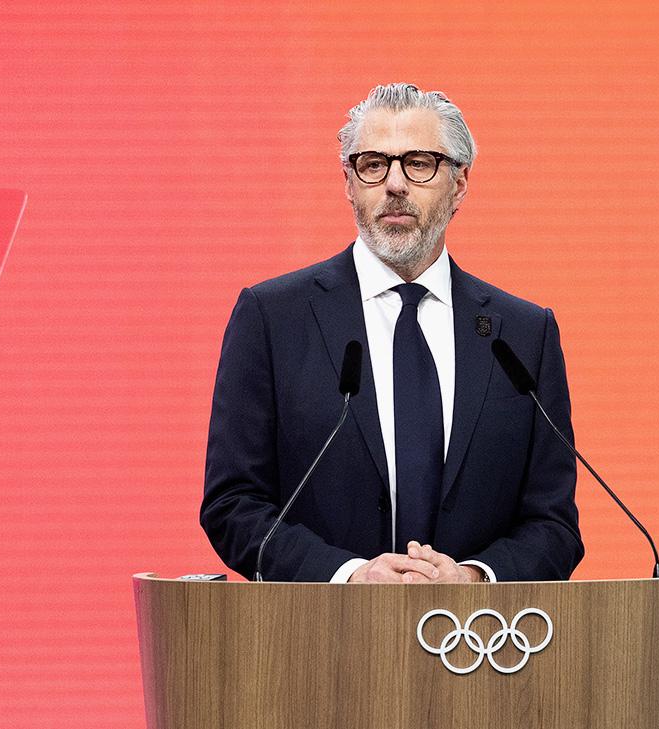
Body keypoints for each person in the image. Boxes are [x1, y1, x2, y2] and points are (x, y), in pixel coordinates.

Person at [200, 83, 583, 583]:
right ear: (349, 183)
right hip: (321, 628)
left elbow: (554, 525)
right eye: (374, 164)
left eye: (419, 163)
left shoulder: (525, 335)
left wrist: (473, 579)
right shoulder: (273, 319)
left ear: (460, 183)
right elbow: (233, 504)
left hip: (479, 629)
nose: (395, 184)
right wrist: (348, 576)